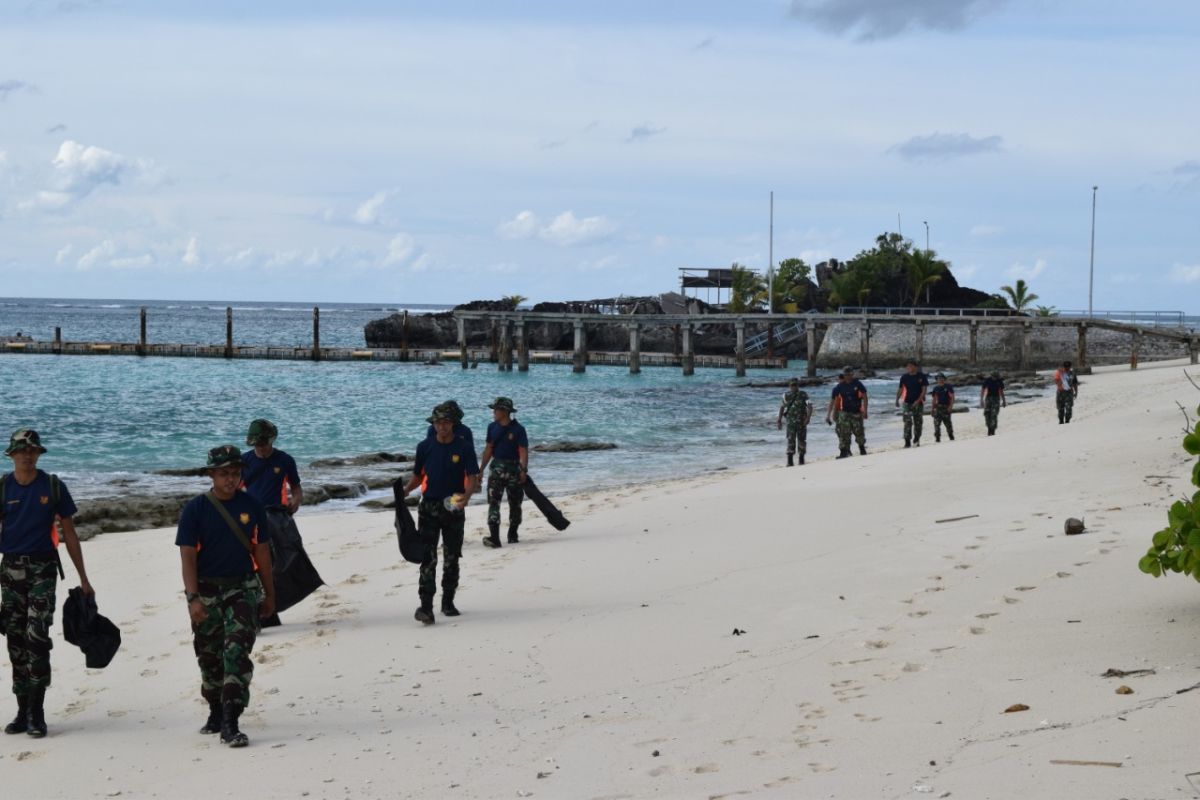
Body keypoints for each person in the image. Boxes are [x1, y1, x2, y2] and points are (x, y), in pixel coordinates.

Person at [176, 445, 276, 748]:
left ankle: (231, 721)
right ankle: (216, 710)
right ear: (211, 474)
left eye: (235, 473)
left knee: (236, 652)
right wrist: (193, 598)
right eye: (224, 473)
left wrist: (270, 594)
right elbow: (188, 558)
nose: (230, 479)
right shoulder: (195, 509)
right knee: (209, 657)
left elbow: (262, 552)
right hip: (205, 592)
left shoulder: (252, 506)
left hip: (242, 589)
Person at [0, 429, 94, 739]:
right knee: (15, 641)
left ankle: (37, 713)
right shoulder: (3, 487)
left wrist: (83, 578)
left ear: (39, 454)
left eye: (33, 451)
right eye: (22, 451)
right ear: (11, 454)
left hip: (43, 570)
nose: (28, 455)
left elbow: (69, 535)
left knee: (36, 638)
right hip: (10, 571)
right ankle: (22, 709)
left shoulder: (53, 487)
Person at [400, 406, 479, 625]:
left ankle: (448, 601)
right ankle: (426, 606)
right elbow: (418, 476)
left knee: (452, 556)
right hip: (429, 507)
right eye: (437, 423)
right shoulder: (424, 447)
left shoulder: (464, 447)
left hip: (453, 505)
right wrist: (405, 491)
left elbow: (473, 476)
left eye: (445, 422)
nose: (441, 426)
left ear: (453, 423)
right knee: (428, 557)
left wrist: (467, 496)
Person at [241, 419, 303, 628]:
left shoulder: (285, 460)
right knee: (254, 567)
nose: (261, 448)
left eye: (264, 443)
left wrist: (296, 501)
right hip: (251, 521)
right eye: (257, 444)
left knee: (283, 562)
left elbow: (296, 488)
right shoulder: (244, 462)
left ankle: (274, 607)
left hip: (278, 518)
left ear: (272, 440)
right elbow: (232, 491)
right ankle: (261, 613)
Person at [479, 397, 528, 547]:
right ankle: (495, 537)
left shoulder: (519, 429)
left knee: (515, 502)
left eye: (496, 409)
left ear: (505, 411)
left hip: (513, 468)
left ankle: (512, 533)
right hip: (497, 468)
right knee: (494, 503)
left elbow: (523, 451)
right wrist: (480, 470)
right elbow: (489, 449)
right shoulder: (492, 427)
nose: (493, 412)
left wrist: (523, 470)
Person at [826, 367, 868, 458]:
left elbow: (865, 396)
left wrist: (865, 410)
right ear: (844, 375)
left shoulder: (857, 383)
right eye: (846, 375)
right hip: (844, 413)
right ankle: (843, 452)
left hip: (856, 412)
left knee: (859, 431)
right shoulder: (840, 386)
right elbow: (832, 400)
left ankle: (862, 449)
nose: (847, 376)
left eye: (849, 374)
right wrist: (828, 415)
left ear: (852, 374)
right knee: (843, 433)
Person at [777, 378, 813, 466]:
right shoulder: (786, 395)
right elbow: (782, 407)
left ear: (798, 385)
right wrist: (779, 420)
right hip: (790, 422)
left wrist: (808, 418)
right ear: (789, 386)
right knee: (790, 440)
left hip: (802, 421)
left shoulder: (803, 394)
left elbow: (810, 406)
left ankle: (801, 460)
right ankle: (790, 461)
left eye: (795, 385)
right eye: (792, 385)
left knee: (802, 440)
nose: (794, 387)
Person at [894, 360, 929, 448]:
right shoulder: (904, 377)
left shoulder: (921, 376)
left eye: (910, 366)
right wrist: (897, 399)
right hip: (907, 403)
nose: (908, 368)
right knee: (907, 422)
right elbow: (901, 389)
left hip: (918, 402)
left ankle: (916, 439)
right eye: (907, 366)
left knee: (918, 422)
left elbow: (924, 390)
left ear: (915, 367)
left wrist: (917, 401)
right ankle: (907, 441)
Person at [929, 373, 956, 442]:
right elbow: (934, 399)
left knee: (948, 424)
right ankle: (937, 439)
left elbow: (952, 397)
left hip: (946, 407)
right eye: (938, 378)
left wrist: (950, 407)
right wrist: (932, 409)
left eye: (942, 378)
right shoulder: (935, 388)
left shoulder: (948, 386)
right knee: (936, 424)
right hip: (938, 408)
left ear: (944, 379)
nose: (940, 380)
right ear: (937, 380)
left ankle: (951, 437)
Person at [979, 370, 1006, 436]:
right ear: (992, 376)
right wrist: (981, 400)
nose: (996, 378)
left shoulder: (999, 381)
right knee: (987, 414)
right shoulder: (987, 380)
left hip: (996, 399)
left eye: (997, 377)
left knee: (994, 415)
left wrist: (1004, 401)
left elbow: (1001, 391)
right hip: (988, 398)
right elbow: (982, 390)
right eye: (995, 377)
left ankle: (992, 431)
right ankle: (989, 429)